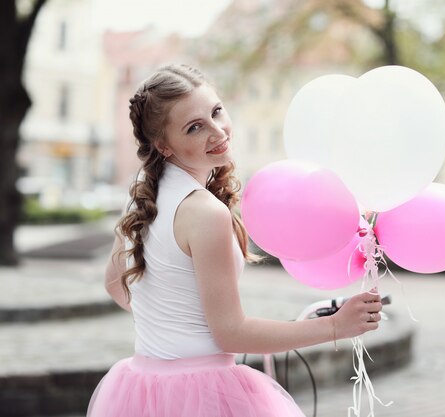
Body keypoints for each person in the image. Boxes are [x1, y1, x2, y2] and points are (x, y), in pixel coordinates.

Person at [87, 63, 383, 417]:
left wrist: (169, 327)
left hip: (143, 385)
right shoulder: (204, 213)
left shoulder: (143, 197)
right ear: (163, 145)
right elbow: (232, 334)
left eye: (216, 112)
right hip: (202, 393)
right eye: (195, 127)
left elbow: (113, 284)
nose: (218, 132)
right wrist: (336, 325)